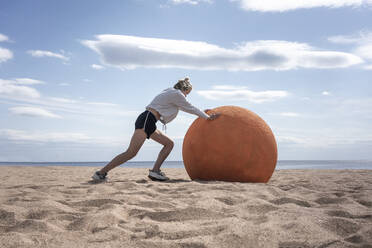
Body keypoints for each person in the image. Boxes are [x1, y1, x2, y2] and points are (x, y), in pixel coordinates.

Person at [92, 77, 220, 181]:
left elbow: (184, 107)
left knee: (169, 144)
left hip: (149, 121)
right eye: (187, 93)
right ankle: (101, 173)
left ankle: (155, 171)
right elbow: (189, 107)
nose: (187, 96)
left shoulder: (170, 91)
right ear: (184, 90)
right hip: (147, 119)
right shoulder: (177, 94)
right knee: (131, 152)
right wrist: (207, 117)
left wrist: (203, 113)